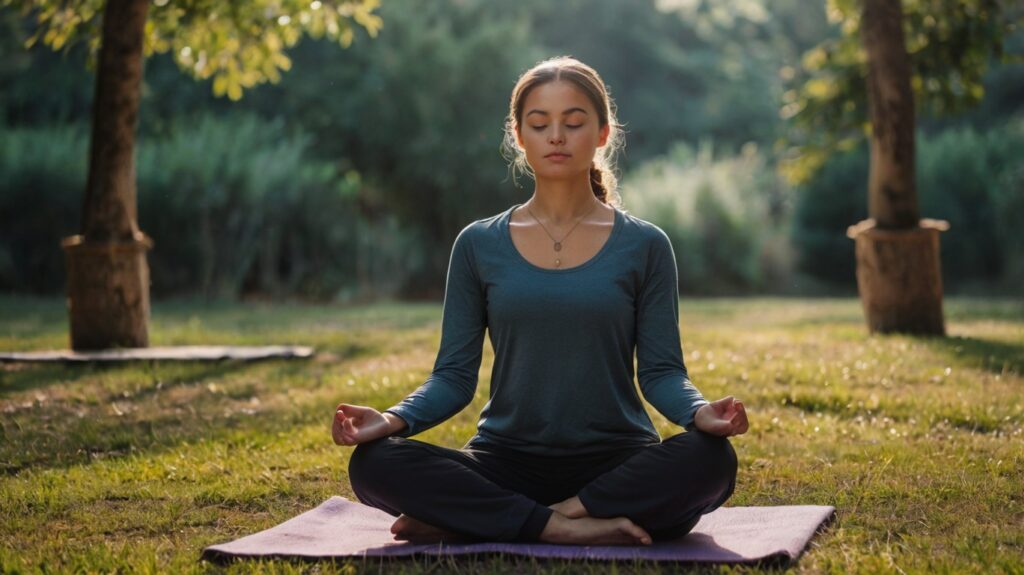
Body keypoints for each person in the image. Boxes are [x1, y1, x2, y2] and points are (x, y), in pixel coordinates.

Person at [332, 56, 749, 546]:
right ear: (519, 135)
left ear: (601, 134)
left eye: (573, 123)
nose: (556, 136)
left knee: (712, 460)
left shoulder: (646, 244)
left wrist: (699, 413)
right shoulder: (478, 244)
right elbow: (453, 378)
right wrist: (390, 419)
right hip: (503, 461)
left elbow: (660, 372)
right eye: (539, 123)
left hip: (616, 464)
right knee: (375, 462)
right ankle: (561, 528)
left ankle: (523, 518)